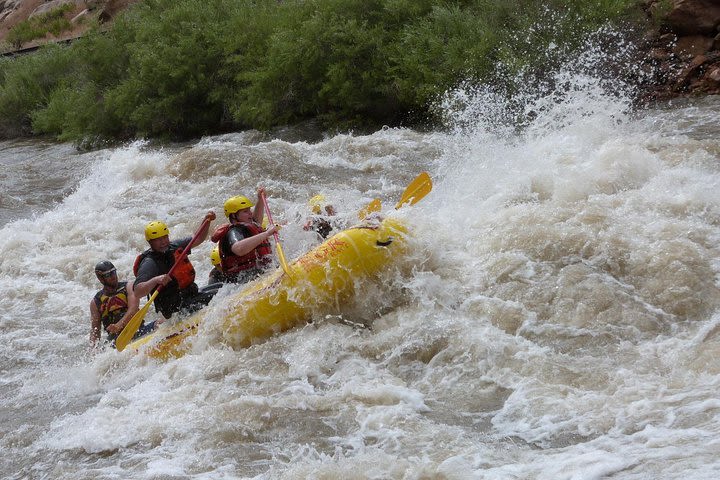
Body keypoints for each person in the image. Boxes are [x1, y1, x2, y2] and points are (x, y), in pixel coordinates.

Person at [133, 212, 217, 319]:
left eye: (165, 237)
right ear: (150, 242)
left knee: (221, 288)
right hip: (175, 309)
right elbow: (137, 291)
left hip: (190, 296)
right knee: (217, 296)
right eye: (158, 240)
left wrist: (206, 221)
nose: (163, 242)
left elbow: (198, 239)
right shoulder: (150, 262)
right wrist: (155, 280)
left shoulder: (174, 246)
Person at [211, 187, 279, 284]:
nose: (250, 213)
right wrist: (267, 233)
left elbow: (256, 222)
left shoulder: (247, 226)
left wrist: (260, 199)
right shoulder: (233, 231)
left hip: (256, 273)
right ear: (234, 216)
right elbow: (239, 249)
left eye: (249, 210)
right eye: (245, 211)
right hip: (241, 280)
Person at [89, 260, 155, 348]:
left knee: (161, 323)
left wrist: (119, 325)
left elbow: (133, 309)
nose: (113, 276)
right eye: (108, 275)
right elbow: (95, 331)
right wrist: (93, 350)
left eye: (113, 272)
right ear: (101, 278)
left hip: (137, 331)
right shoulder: (96, 302)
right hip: (116, 340)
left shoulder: (128, 287)